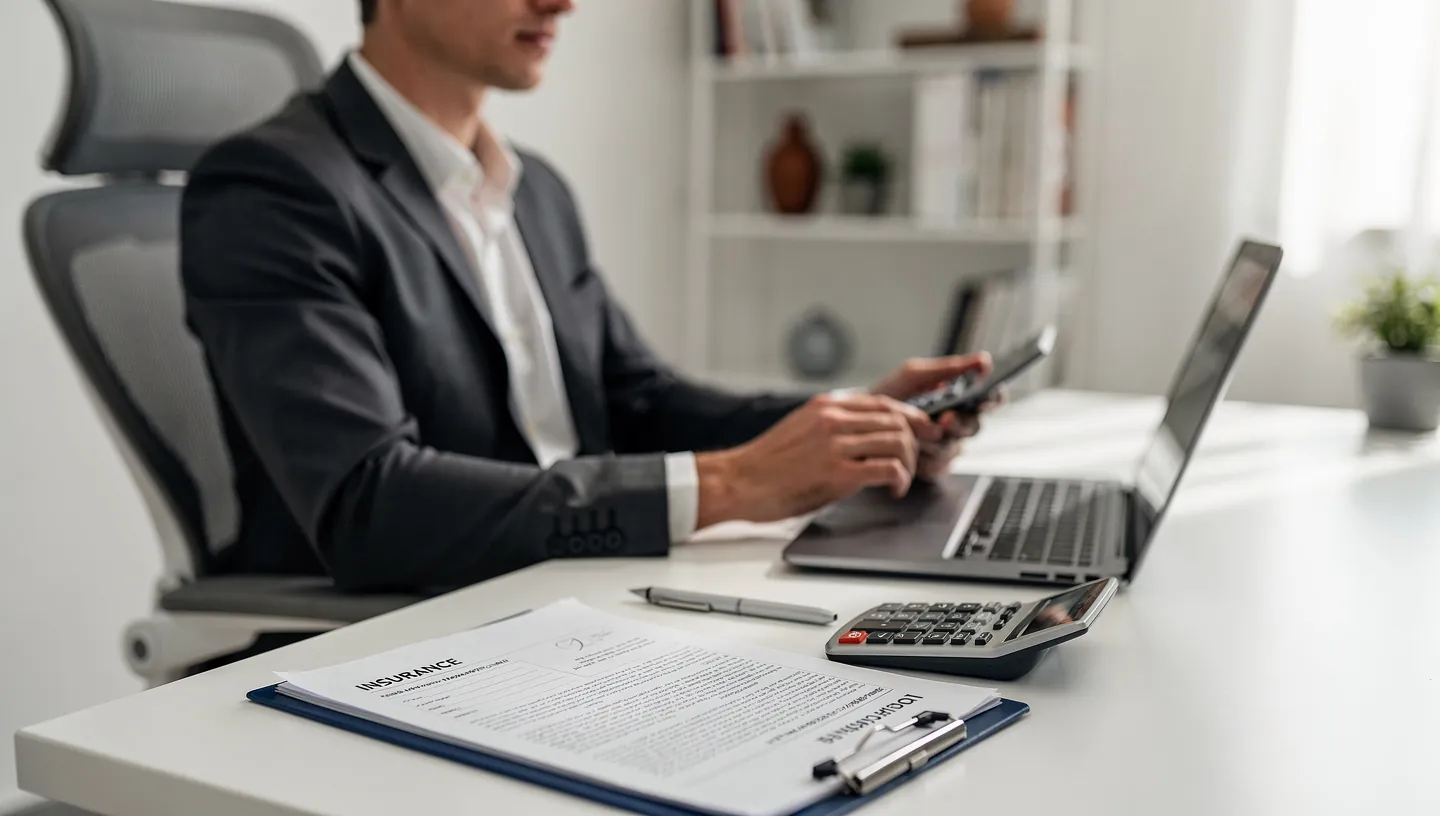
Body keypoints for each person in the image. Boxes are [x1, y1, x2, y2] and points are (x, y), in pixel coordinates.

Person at [179, 0, 997, 595]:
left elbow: (636, 400)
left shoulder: (534, 192)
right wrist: (733, 484)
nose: (562, 3)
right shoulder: (276, 190)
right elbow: (372, 505)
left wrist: (852, 425)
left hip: (572, 595)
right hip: (400, 637)